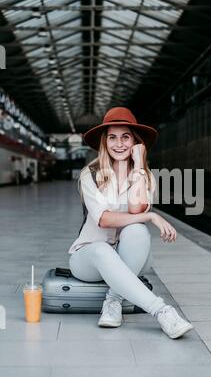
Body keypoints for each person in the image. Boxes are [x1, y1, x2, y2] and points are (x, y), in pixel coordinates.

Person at [68, 107, 194, 339]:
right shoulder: (91, 174)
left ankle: (113, 302)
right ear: (105, 142)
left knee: (136, 231)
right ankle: (162, 311)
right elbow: (104, 220)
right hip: (89, 259)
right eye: (112, 137)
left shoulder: (145, 176)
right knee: (103, 248)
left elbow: (136, 208)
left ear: (135, 142)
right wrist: (151, 216)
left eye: (125, 137)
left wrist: (137, 165)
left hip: (131, 258)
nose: (119, 144)